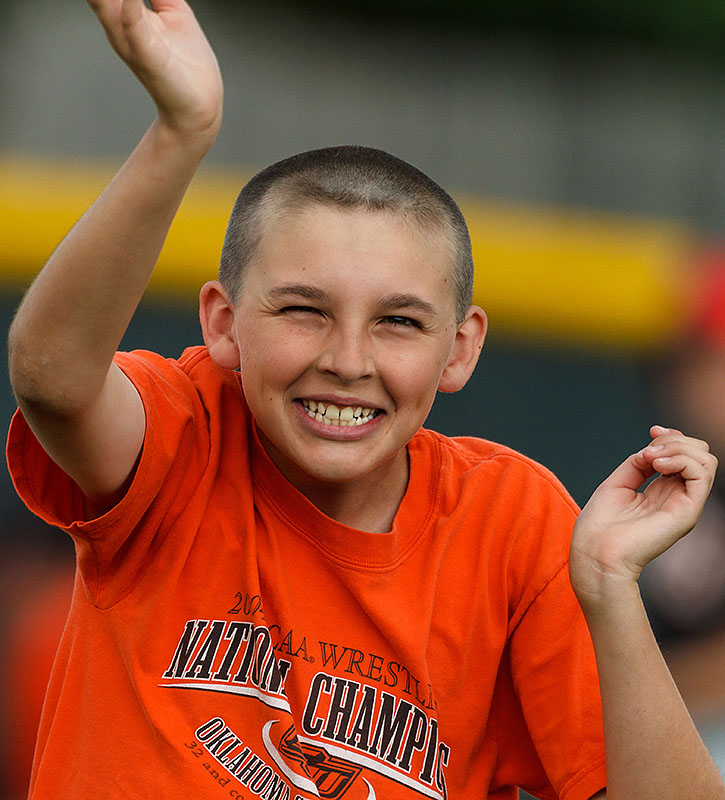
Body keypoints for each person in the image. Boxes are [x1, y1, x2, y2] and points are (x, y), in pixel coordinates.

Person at [5, 1, 722, 798]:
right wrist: (182, 131)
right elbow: (51, 375)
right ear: (223, 323)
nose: (347, 360)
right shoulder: (189, 430)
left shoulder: (513, 521)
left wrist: (610, 588)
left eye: (397, 322)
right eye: (303, 309)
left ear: (459, 349)